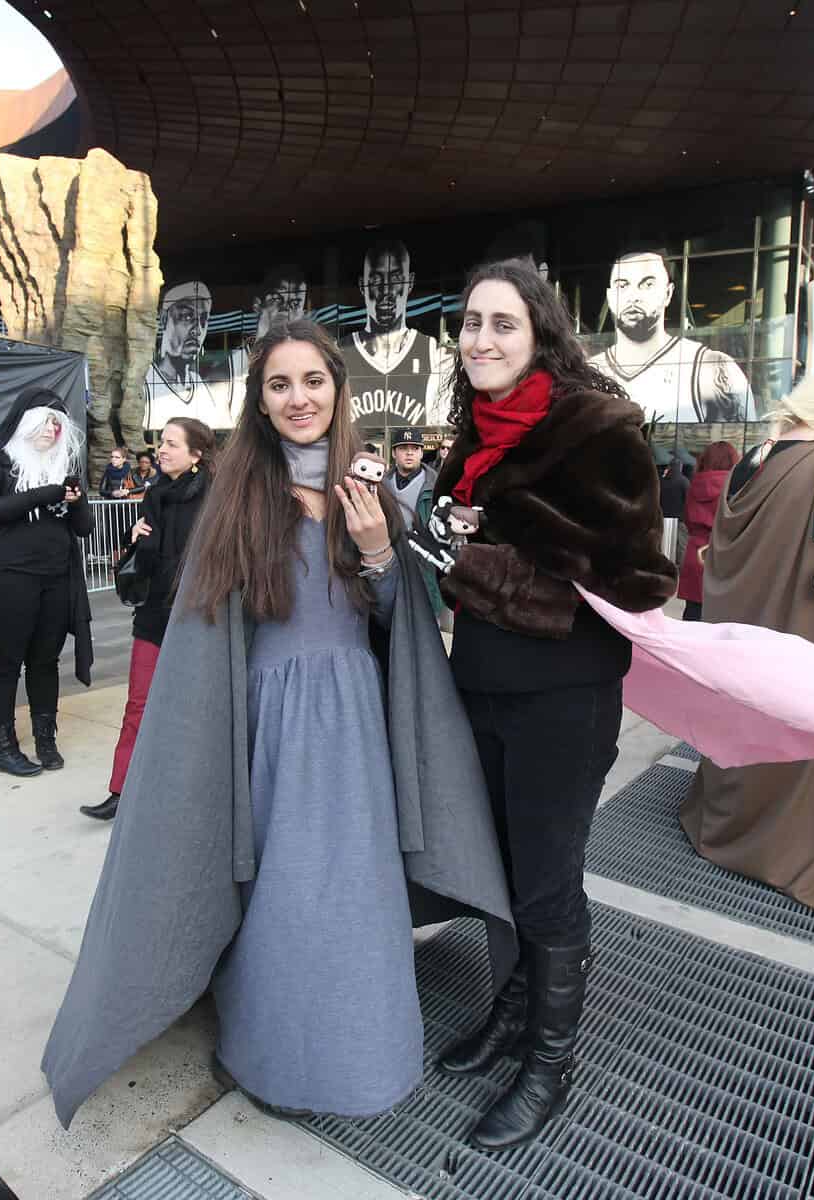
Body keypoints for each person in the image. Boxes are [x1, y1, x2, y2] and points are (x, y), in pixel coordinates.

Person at [43, 318, 514, 1129]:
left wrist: (378, 552)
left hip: (354, 725)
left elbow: (402, 625)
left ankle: (359, 1055)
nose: (299, 398)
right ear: (259, 403)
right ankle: (273, 1054)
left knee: (353, 893)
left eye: (313, 381)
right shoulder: (237, 499)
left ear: (338, 390)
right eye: (280, 384)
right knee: (283, 895)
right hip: (266, 726)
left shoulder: (372, 495)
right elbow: (206, 639)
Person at [411, 260, 675, 1150]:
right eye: (470, 322)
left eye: (502, 324)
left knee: (547, 884)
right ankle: (514, 1014)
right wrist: (444, 538)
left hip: (564, 697)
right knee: (500, 868)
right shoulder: (474, 437)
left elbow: (637, 580)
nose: (480, 339)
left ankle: (551, 1063)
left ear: (541, 335)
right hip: (481, 684)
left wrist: (480, 556)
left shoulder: (598, 428)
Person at [682, 372, 814, 911]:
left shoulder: (753, 458)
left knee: (746, 722)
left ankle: (733, 827)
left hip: (744, 624)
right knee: (808, 736)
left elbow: (722, 551)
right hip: (801, 625)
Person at [83, 416, 215, 820]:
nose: (162, 450)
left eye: (172, 444)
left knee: (196, 710)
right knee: (138, 704)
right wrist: (133, 538)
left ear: (196, 454)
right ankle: (121, 791)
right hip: (154, 614)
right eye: (162, 442)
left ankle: (195, 793)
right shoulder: (154, 494)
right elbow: (142, 561)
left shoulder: (217, 498)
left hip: (200, 617)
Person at [0, 392, 95, 777]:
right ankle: (4, 749)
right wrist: (44, 494)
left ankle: (45, 740)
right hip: (7, 577)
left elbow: (84, 527)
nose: (52, 431)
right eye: (45, 422)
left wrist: (75, 501)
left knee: (45, 660)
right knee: (4, 664)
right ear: (26, 421)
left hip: (56, 576)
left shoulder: (63, 464)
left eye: (58, 424)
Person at [588, 249, 753, 424]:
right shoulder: (588, 372)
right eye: (622, 285)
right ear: (610, 296)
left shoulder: (709, 368)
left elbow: (743, 439)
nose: (633, 297)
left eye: (647, 284)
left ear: (668, 293)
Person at [344, 239, 453, 430]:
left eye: (395, 279)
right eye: (376, 280)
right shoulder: (339, 354)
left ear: (409, 283)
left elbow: (442, 432)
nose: (386, 291)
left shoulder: (436, 357)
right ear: (362, 285)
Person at [145, 280, 239, 433]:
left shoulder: (200, 385)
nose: (197, 330)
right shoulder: (145, 381)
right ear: (164, 319)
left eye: (203, 320)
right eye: (187, 317)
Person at [676, 441, 740, 622]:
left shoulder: (693, 484)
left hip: (696, 551)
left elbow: (688, 519)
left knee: (693, 614)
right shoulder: (736, 488)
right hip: (723, 553)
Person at [384, 427, 435, 527]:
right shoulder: (382, 483)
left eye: (415, 448)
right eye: (403, 448)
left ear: (421, 453)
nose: (409, 453)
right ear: (393, 453)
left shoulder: (435, 484)